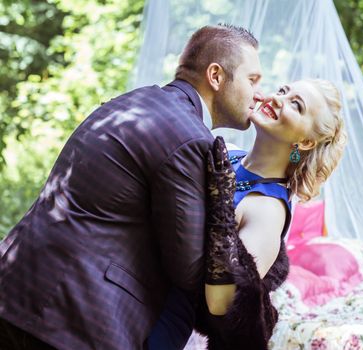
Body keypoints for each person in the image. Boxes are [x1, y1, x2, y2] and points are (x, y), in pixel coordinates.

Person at [0, 24, 263, 350]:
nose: (259, 94)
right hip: (71, 317)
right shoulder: (190, 138)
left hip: (16, 287)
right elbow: (190, 268)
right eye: (252, 80)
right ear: (216, 76)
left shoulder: (133, 102)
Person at [149, 79, 347, 349]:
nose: (278, 99)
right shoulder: (225, 152)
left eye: (296, 105)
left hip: (163, 320)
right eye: (282, 91)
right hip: (134, 281)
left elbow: (222, 305)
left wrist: (221, 212)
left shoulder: (268, 209)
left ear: (306, 141)